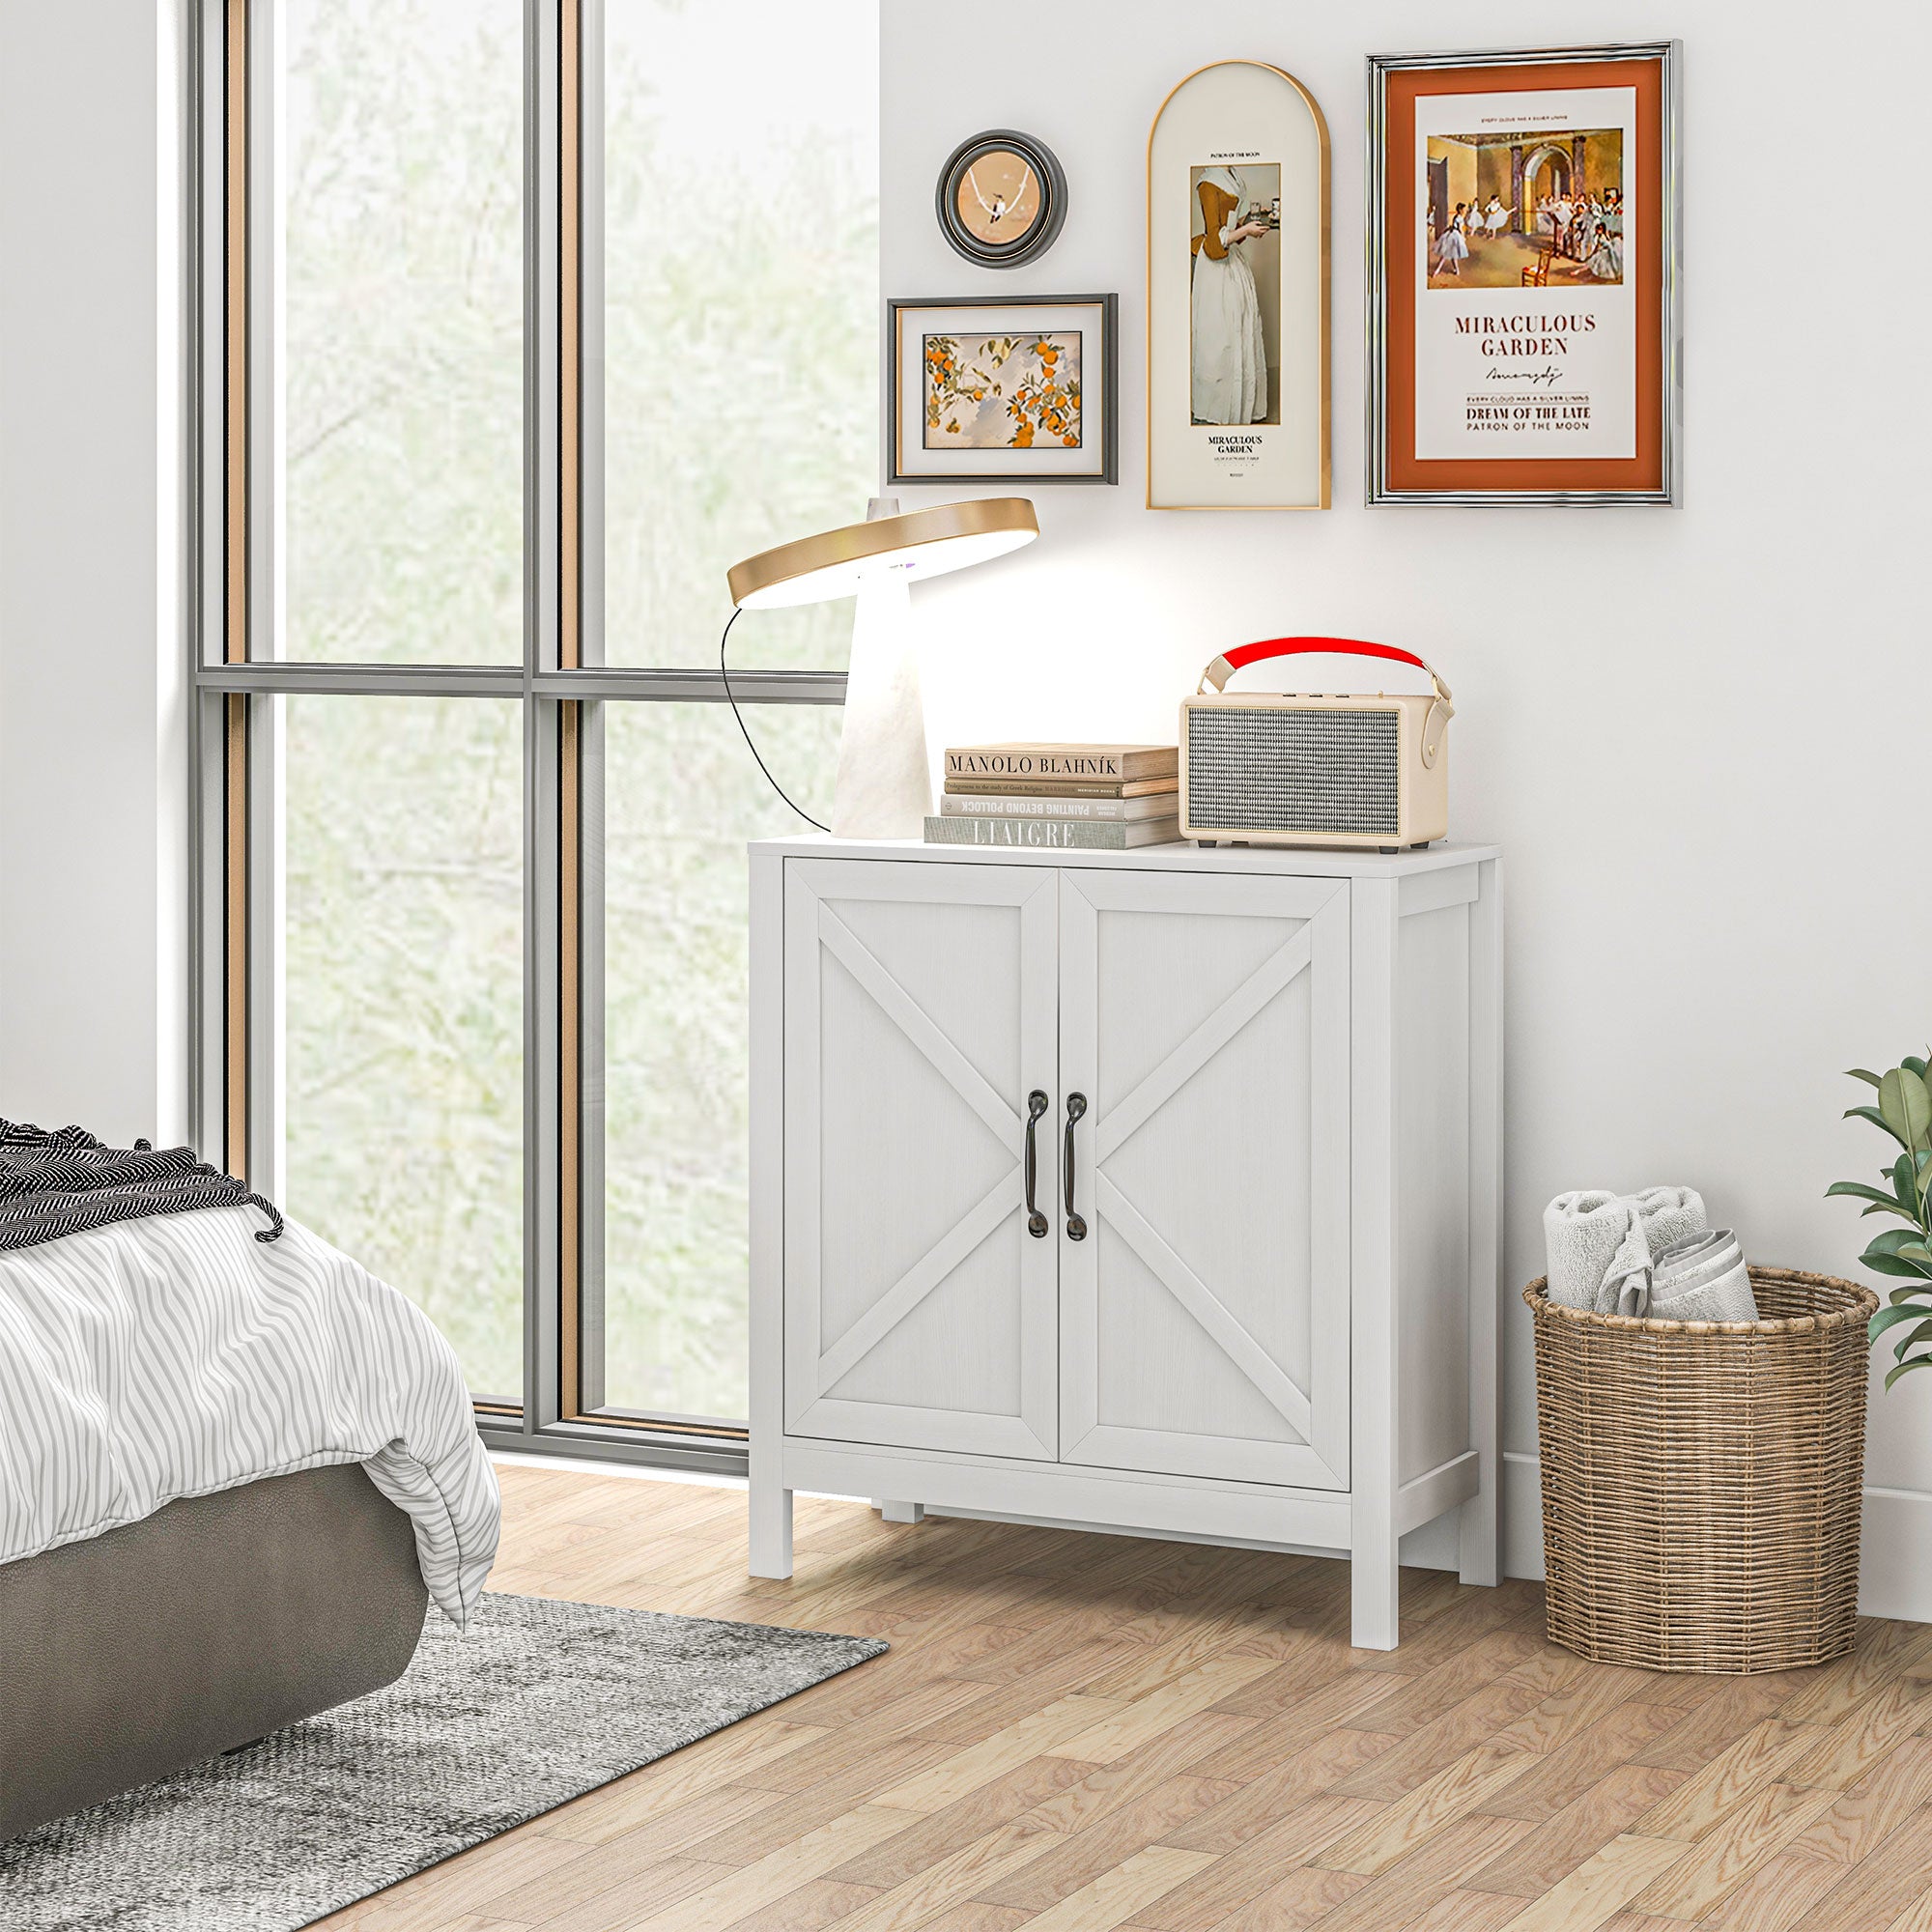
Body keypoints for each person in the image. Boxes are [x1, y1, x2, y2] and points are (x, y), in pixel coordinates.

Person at [1190, 166, 1270, 424]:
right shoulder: (1208, 183)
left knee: (1240, 325)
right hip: (1214, 269)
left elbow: (1229, 232)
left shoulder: (1232, 175)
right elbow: (1214, 242)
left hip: (1233, 263)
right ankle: (1216, 407)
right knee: (1219, 333)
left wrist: (1250, 221)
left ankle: (1240, 404)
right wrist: (1246, 231)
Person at [1435, 203, 1470, 277]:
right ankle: (1440, 270)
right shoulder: (1460, 218)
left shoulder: (1456, 216)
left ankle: (1455, 270)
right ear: (1460, 210)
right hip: (1455, 236)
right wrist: (1463, 237)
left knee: (1451, 254)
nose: (1465, 210)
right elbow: (1460, 229)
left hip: (1451, 234)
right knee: (1450, 254)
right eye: (1464, 209)